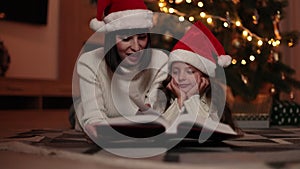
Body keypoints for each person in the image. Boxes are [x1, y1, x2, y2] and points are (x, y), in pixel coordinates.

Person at [74, 0, 168, 137]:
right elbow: (94, 120)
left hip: (120, 120)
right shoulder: (89, 61)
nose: (136, 47)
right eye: (126, 39)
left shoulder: (160, 61)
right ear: (111, 39)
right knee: (78, 110)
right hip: (86, 110)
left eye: (142, 37)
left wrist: (149, 112)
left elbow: (154, 114)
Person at [161, 21, 237, 130]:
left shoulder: (212, 101)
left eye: (190, 72)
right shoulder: (165, 98)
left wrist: (192, 98)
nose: (181, 77)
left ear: (204, 77)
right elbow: (163, 128)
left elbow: (206, 130)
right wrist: (180, 101)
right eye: (176, 72)